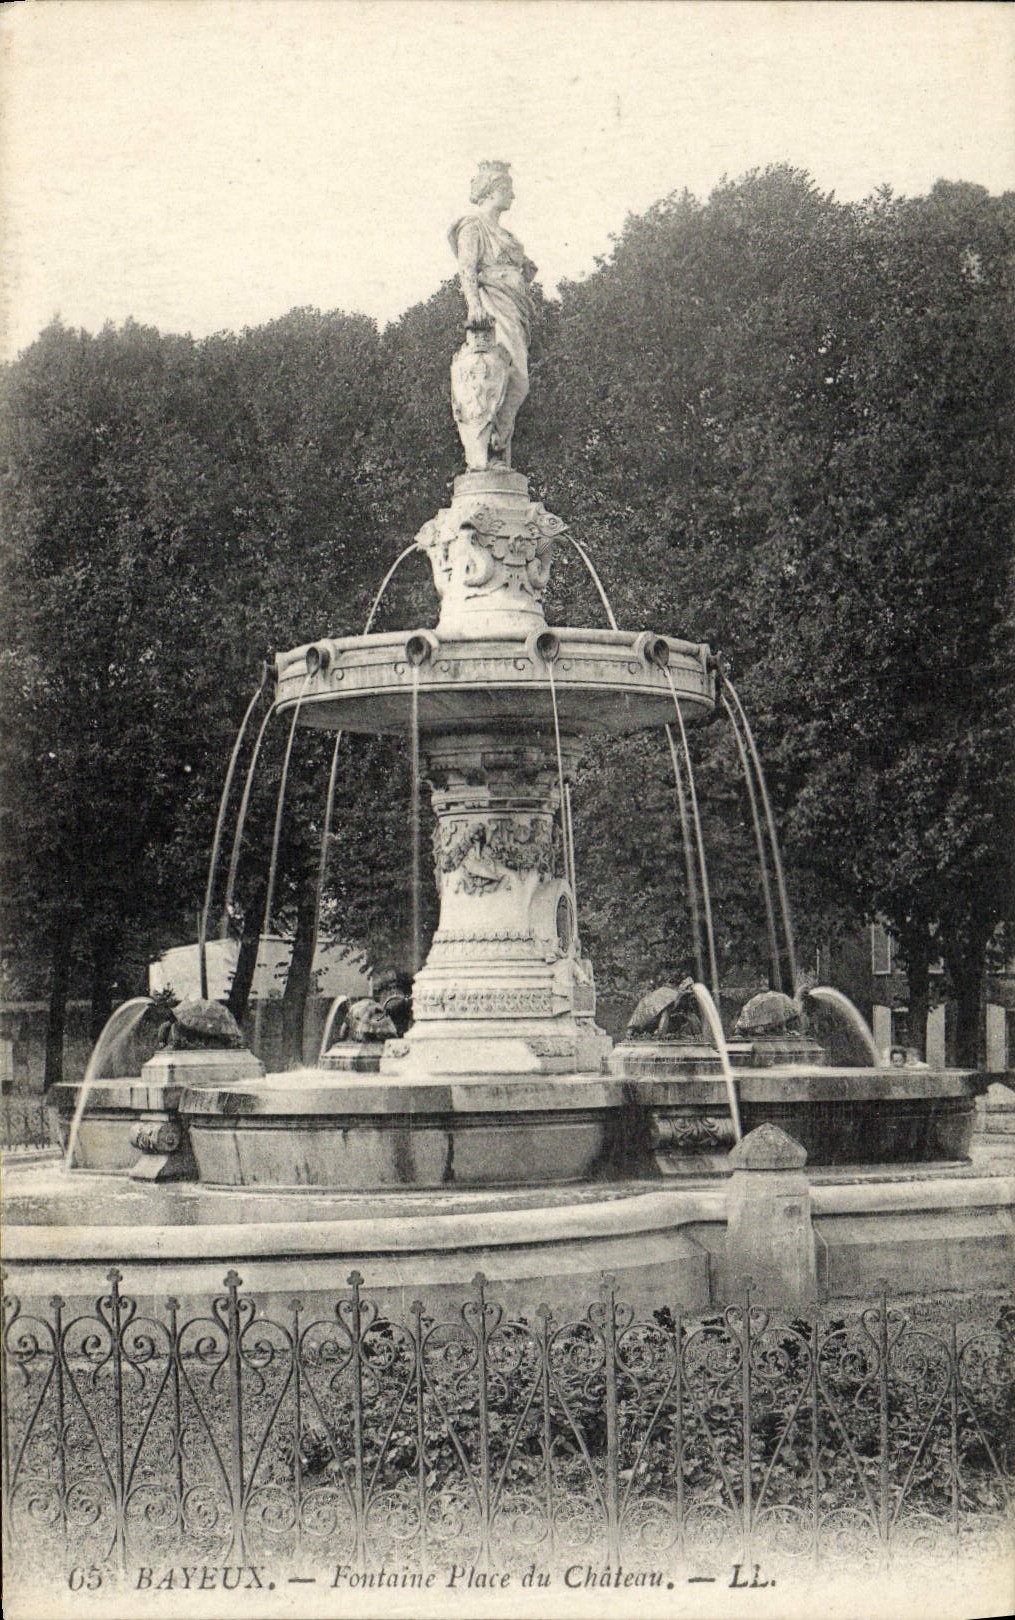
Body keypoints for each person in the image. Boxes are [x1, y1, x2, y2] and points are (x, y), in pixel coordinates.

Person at [449, 161, 536, 466]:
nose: (512, 195)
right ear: (490, 191)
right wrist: (474, 306)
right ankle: (490, 447)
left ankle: (498, 449)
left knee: (515, 379)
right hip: (492, 307)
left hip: (513, 307)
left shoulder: (506, 235)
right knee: (510, 378)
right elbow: (466, 269)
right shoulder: (473, 226)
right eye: (507, 189)